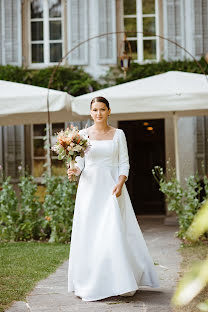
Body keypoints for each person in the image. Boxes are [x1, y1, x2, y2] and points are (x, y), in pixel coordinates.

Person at [67, 96, 160, 302]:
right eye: (94, 110)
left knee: (113, 232)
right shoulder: (82, 135)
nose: (98, 113)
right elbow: (81, 163)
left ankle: (119, 280)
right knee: (91, 233)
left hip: (112, 189)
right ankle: (90, 281)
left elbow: (124, 163)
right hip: (89, 190)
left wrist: (120, 182)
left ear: (109, 111)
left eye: (102, 109)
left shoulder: (118, 134)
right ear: (90, 113)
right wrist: (74, 170)